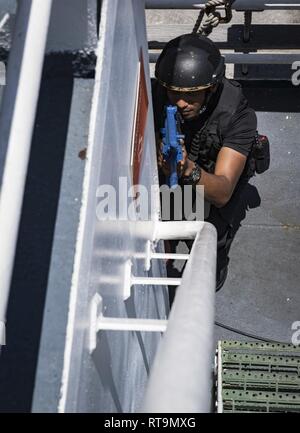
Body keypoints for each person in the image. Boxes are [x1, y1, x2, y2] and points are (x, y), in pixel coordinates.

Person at [152, 33, 258, 291]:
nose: (180, 103)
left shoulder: (238, 115)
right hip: (170, 182)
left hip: (209, 186)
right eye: (173, 93)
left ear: (210, 89)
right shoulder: (156, 96)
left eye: (191, 95)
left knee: (207, 267)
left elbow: (222, 191)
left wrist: (188, 169)